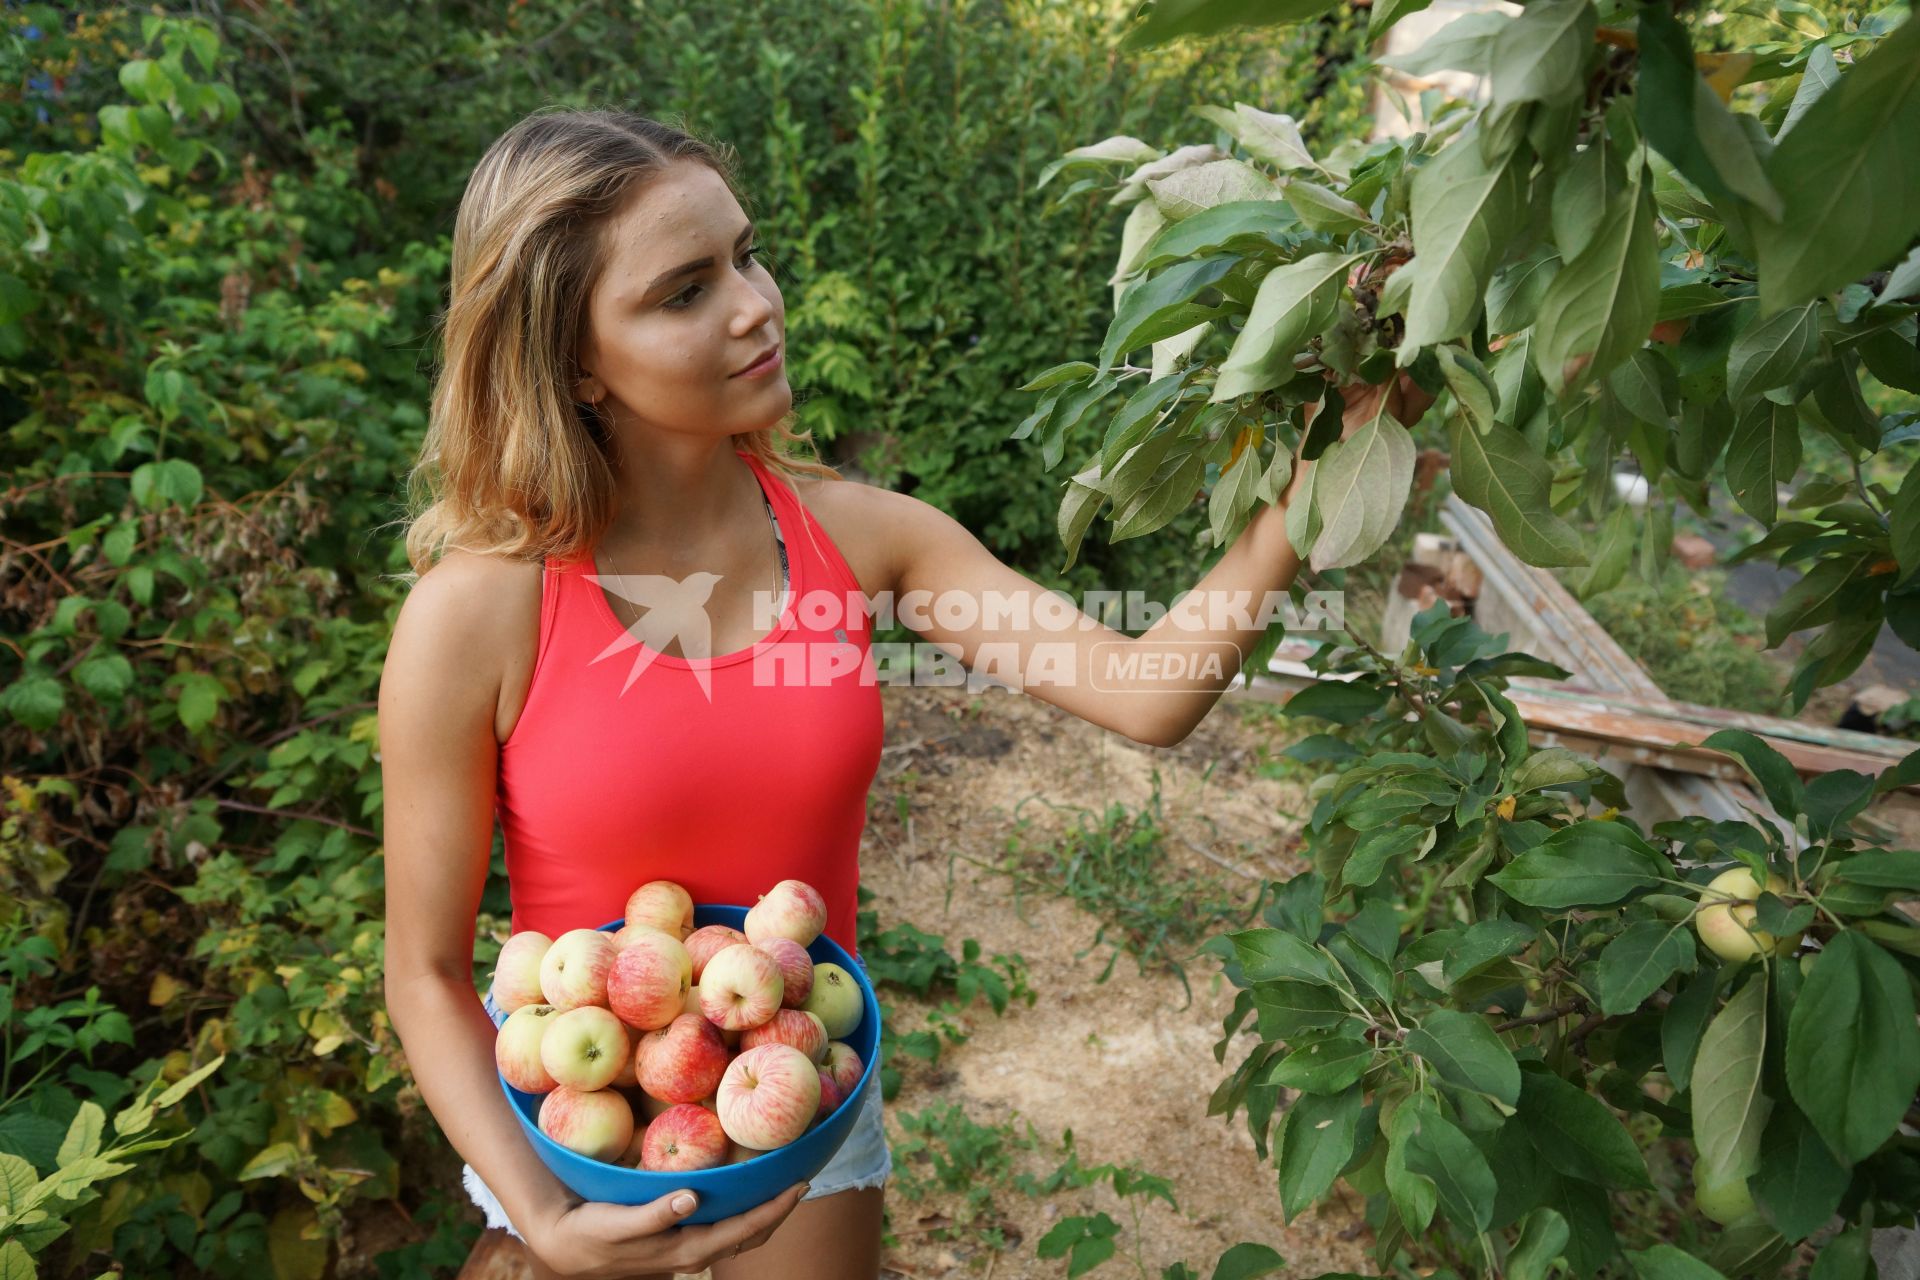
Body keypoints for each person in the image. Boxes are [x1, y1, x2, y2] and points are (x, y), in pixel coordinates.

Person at [380, 106, 1410, 1279]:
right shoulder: (482, 610)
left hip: (801, 1106)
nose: (754, 303)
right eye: (682, 292)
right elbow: (423, 970)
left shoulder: (860, 538)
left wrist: (1326, 469)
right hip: (581, 1143)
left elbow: (1145, 691)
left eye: (746, 253)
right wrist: (546, 1218)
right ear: (570, 358)